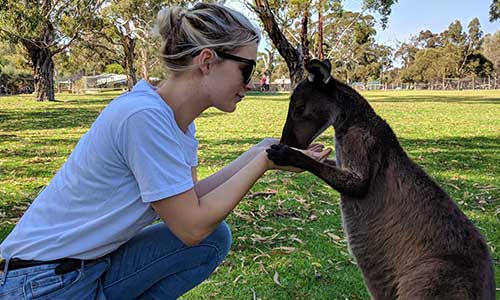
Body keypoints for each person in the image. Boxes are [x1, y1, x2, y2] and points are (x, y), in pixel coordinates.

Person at [0, 3, 330, 300]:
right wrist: (263, 161)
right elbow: (191, 227)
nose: (250, 84)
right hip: (40, 281)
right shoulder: (143, 117)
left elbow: (190, 203)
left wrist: (265, 151)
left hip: (88, 269)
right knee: (205, 235)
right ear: (206, 61)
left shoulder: (177, 123)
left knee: (215, 238)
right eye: (247, 70)